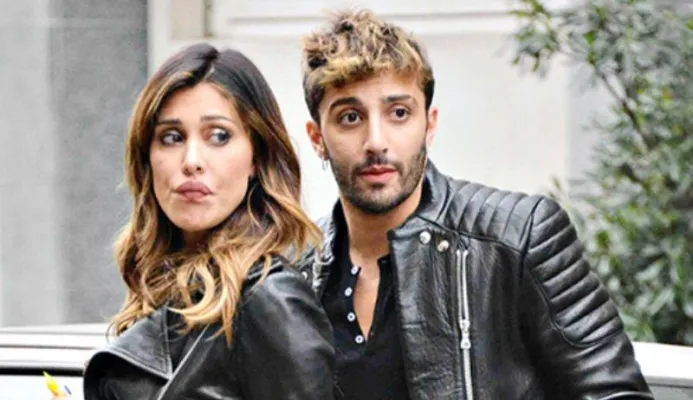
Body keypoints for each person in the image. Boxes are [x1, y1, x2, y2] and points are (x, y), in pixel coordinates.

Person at [298, 8, 654, 400]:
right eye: (350, 117)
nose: (376, 142)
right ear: (317, 138)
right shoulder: (296, 271)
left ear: (429, 125)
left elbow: (616, 393)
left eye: (399, 113)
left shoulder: (519, 237)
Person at [81, 43, 335, 399]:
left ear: (256, 157)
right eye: (172, 137)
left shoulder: (269, 299)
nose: (192, 161)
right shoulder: (165, 294)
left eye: (219, 136)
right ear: (147, 157)